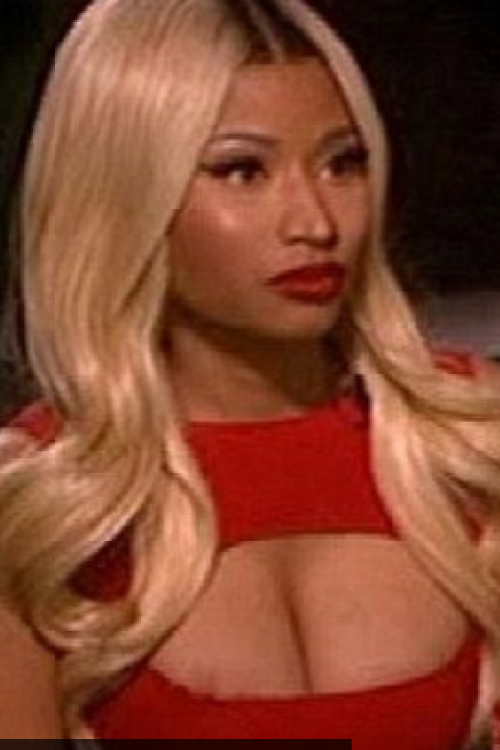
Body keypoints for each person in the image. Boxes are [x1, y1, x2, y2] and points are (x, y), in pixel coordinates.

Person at [0, 0, 499, 744]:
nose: (315, 223)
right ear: (127, 193)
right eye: (242, 170)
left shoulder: (467, 442)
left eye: (343, 163)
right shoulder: (47, 508)